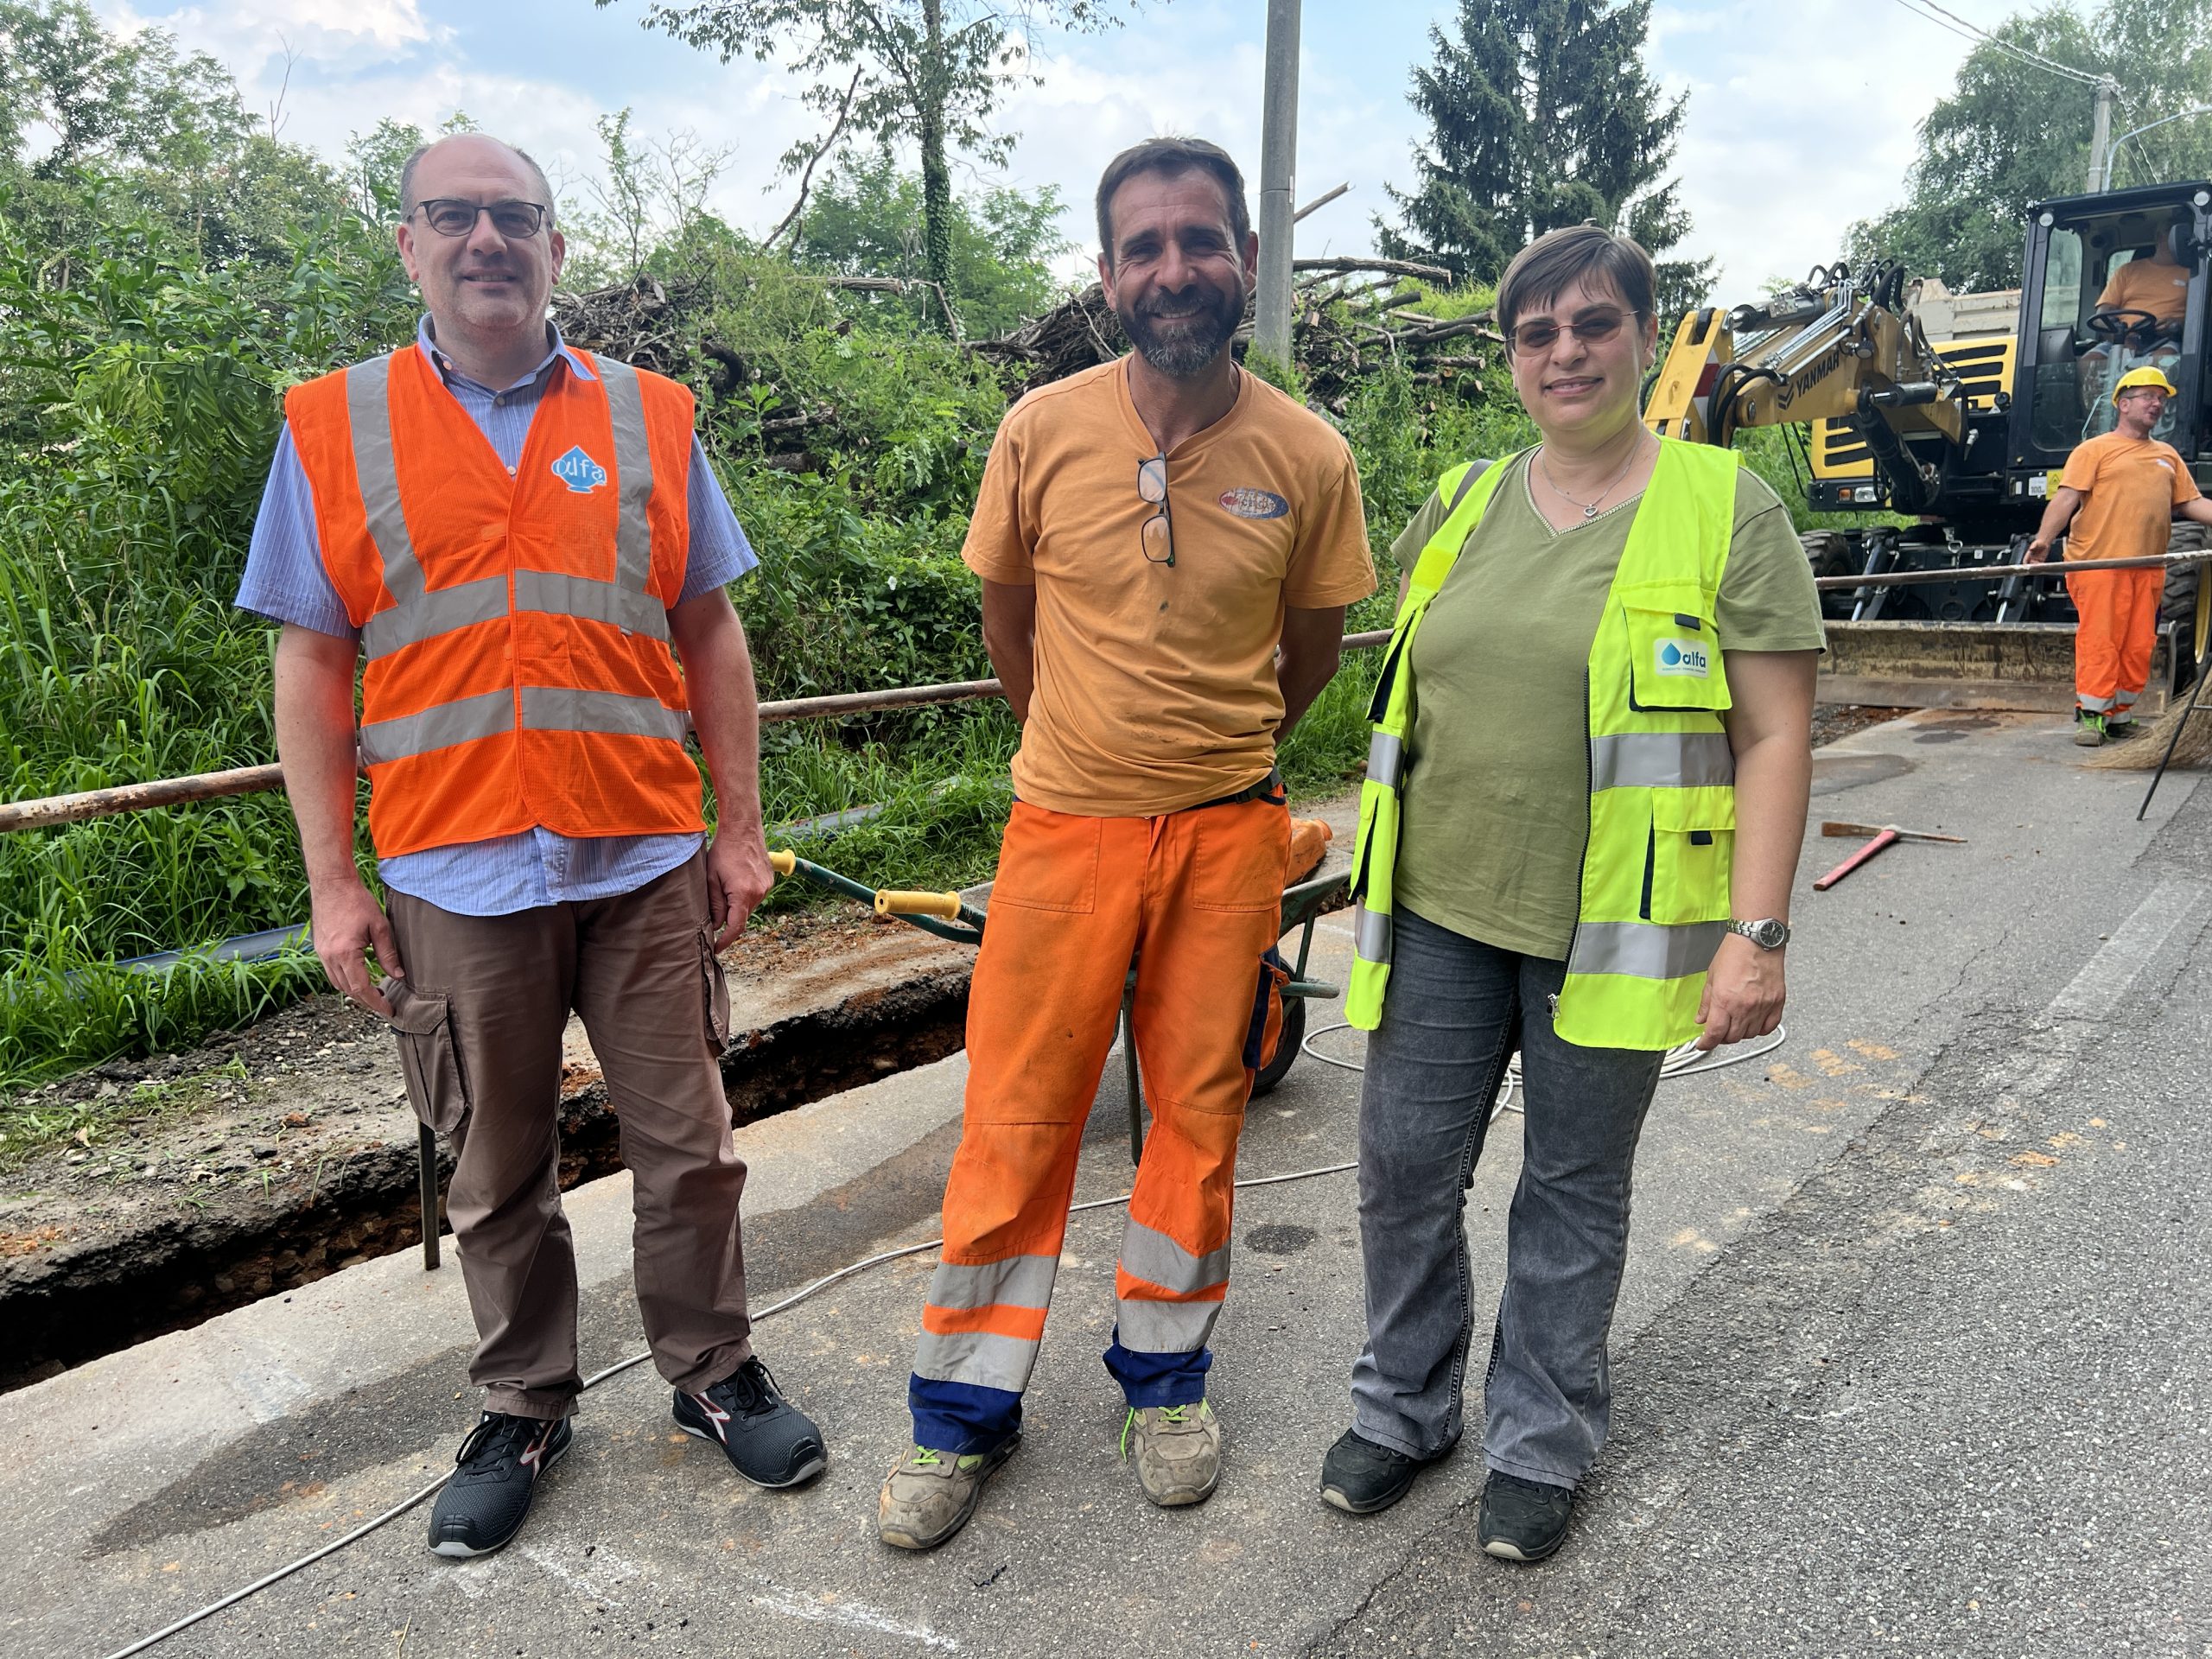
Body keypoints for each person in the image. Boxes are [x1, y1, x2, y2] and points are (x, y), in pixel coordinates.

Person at [237, 133, 824, 1560]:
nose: (485, 240)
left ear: (557, 249)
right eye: (453, 216)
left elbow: (708, 629)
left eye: (514, 217)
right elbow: (313, 663)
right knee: (495, 1170)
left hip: (642, 864)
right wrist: (333, 884)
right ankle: (523, 1403)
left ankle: (713, 1370)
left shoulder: (647, 414)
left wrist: (741, 830)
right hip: (454, 874)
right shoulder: (335, 424)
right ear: (409, 245)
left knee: (690, 1152)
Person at [875, 136, 1376, 1550]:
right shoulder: (1039, 430)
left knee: (1198, 1120)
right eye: (1144, 246)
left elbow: (1312, 649)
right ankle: (962, 1413)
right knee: (1017, 1119)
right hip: (1064, 830)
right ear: (1107, 275)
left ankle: (1166, 1385)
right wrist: (1084, 755)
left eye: (1200, 240)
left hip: (1228, 837)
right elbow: (1009, 623)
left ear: (1247, 262)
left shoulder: (1309, 455)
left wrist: (1209, 759)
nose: (1174, 268)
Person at [1319, 225, 1825, 1563]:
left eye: (1596, 323)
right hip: (1437, 908)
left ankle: (1541, 1438)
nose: (1567, 352)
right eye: (1537, 333)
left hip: (1619, 929)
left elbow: (1777, 735)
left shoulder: (1726, 507)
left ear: (1646, 338)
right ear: (1511, 357)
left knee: (1571, 1188)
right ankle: (1402, 1405)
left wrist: (1756, 935)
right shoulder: (1465, 499)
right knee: (1402, 1172)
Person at [2027, 365, 2212, 744]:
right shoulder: (2093, 450)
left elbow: (2191, 503)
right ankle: (2091, 715)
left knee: (2138, 644)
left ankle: (2119, 714)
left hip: (2148, 567)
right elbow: (2067, 497)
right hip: (2101, 564)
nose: (2157, 404)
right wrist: (2044, 539)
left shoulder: (2168, 456)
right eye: (2149, 397)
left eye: (2161, 399)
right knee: (2102, 640)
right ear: (2123, 404)